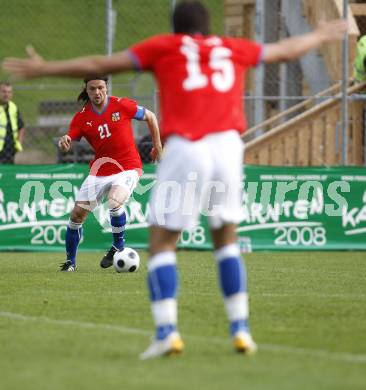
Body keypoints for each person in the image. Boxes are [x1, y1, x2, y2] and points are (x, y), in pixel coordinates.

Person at [3, 0, 347, 359]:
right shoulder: (230, 47)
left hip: (187, 146)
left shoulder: (166, 47)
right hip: (229, 147)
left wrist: (45, 67)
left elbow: (100, 64)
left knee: (163, 243)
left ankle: (167, 332)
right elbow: (282, 49)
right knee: (226, 242)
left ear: (175, 27)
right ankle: (241, 329)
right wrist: (321, 33)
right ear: (208, 25)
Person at [57, 76, 162, 272]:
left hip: (128, 166)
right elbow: (69, 140)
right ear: (86, 91)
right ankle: (70, 262)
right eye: (92, 89)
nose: (97, 92)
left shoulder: (121, 105)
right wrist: (64, 141)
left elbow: (151, 117)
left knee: (115, 201)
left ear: (106, 88)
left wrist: (157, 145)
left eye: (100, 88)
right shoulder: (81, 117)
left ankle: (118, 247)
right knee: (76, 216)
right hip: (100, 171)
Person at [0, 82, 25, 164]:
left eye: (9, 92)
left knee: (8, 174)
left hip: (10, 150)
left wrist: (19, 143)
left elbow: (21, 126)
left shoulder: (13, 107)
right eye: (3, 91)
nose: (6, 94)